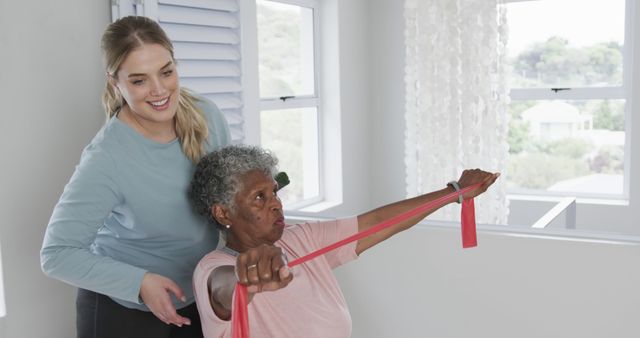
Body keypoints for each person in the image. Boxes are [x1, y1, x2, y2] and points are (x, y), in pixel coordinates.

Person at [40, 16, 231, 338]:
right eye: (139, 80)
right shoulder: (106, 158)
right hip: (123, 309)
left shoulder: (207, 115)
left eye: (166, 72)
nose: (159, 90)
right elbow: (56, 254)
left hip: (198, 292)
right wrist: (140, 283)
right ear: (116, 82)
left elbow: (228, 195)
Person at [189, 145, 499, 338]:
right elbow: (223, 287)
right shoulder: (213, 267)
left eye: (274, 193)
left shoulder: (301, 238)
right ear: (223, 211)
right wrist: (248, 277)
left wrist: (455, 192)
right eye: (260, 197)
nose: (276, 205)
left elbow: (378, 223)